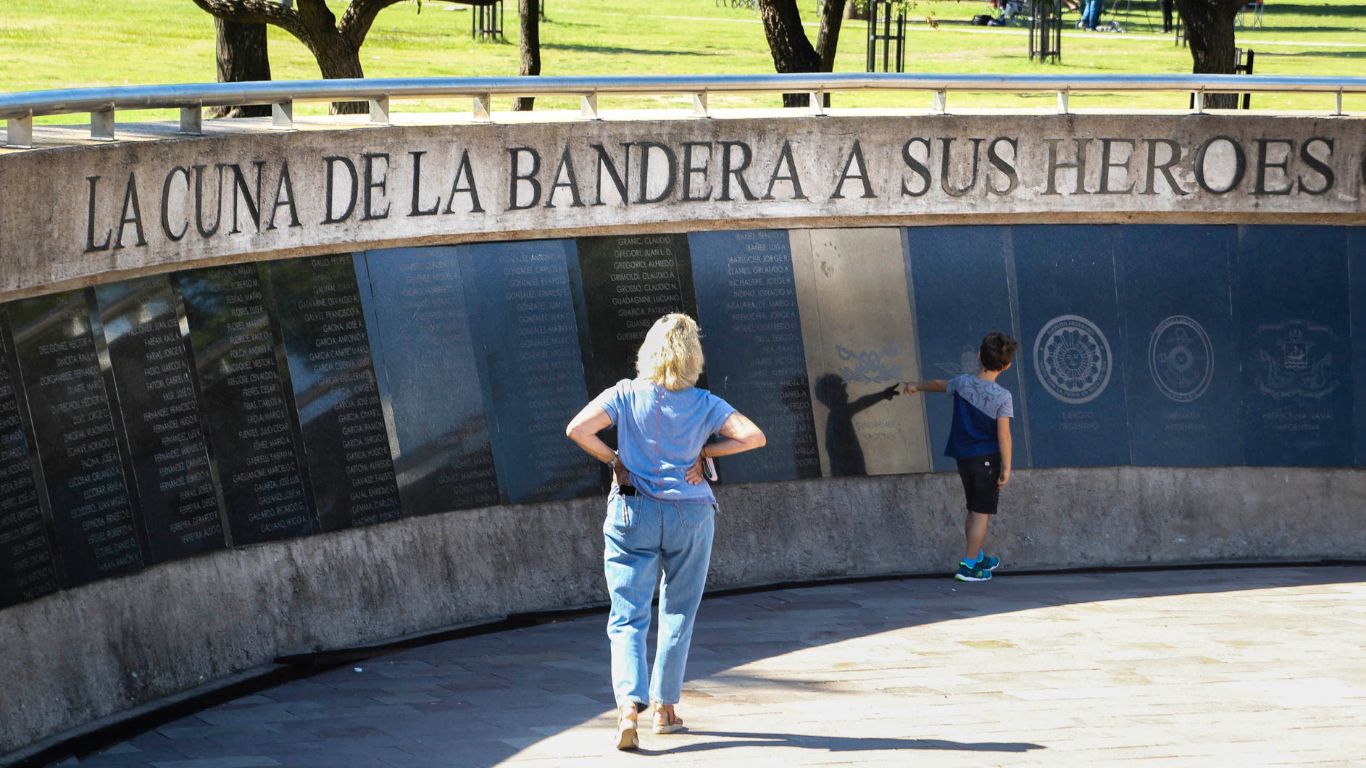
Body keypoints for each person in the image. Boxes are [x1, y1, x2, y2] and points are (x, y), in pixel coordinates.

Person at [566, 313, 765, 751]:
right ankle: (665, 708)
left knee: (627, 615)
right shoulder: (706, 402)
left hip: (631, 511)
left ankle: (627, 707)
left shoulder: (624, 393)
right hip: (690, 515)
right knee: (678, 612)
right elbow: (754, 437)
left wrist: (615, 461)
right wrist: (706, 451)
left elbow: (577, 429)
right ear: (693, 357)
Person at [902, 331, 1018, 583]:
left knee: (973, 509)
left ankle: (976, 556)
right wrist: (1007, 467)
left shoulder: (962, 383)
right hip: (987, 459)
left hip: (963, 457)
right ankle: (968, 566)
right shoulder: (1003, 397)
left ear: (979, 355)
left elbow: (937, 384)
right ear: (1007, 365)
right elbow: (1004, 435)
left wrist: (915, 386)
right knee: (981, 512)